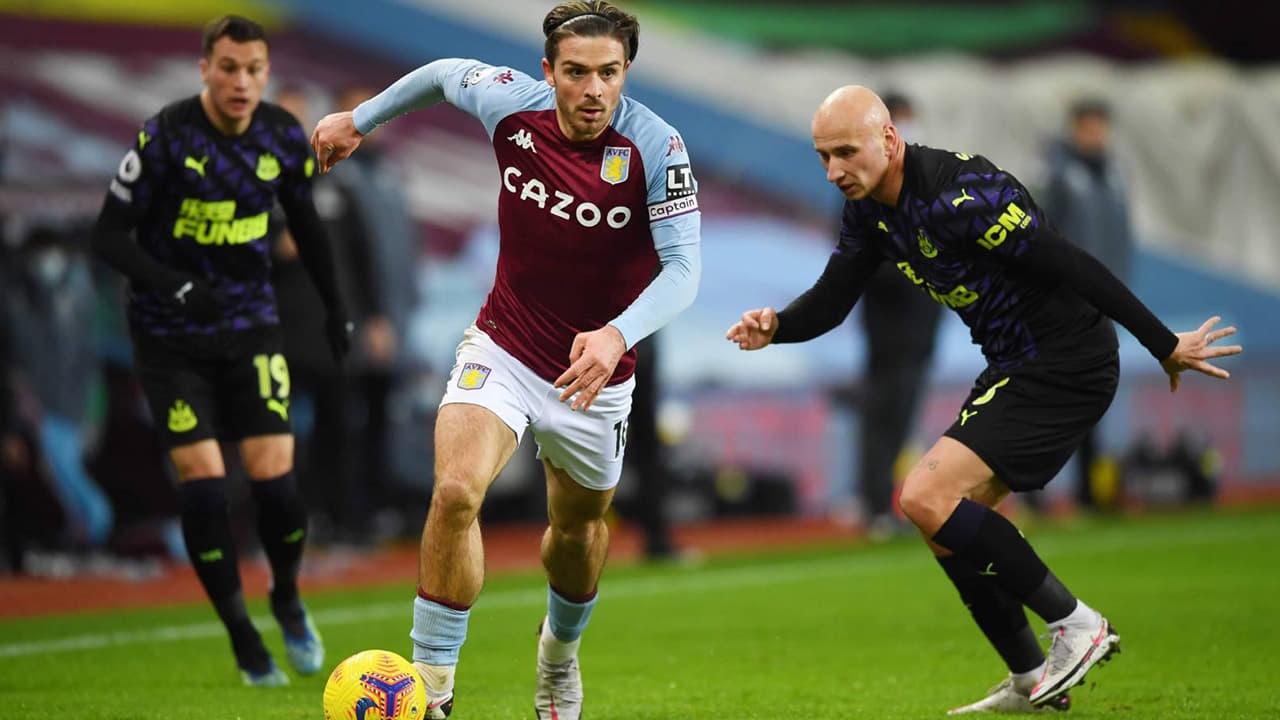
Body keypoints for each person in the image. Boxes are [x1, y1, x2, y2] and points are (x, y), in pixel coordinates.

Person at [726, 85, 1240, 714]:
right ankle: (1028, 677)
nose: (834, 171)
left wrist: (1163, 344)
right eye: (823, 157)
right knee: (942, 522)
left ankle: (1076, 623)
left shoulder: (963, 195)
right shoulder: (870, 210)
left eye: (846, 152)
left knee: (923, 495)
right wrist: (777, 326)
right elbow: (834, 298)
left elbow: (1073, 263)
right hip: (1015, 364)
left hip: (1066, 359)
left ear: (888, 138)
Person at [311, 2, 701, 717]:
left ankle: (558, 656)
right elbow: (441, 74)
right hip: (505, 345)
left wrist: (616, 335)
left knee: (576, 534)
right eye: (576, 72)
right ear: (547, 71)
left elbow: (683, 270)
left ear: (625, 73)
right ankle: (432, 688)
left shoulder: (657, 146)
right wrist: (358, 120)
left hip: (594, 377)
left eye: (608, 73)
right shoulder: (511, 104)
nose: (593, 89)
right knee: (456, 491)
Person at [90, 15, 350, 686]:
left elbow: (307, 224)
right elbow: (108, 236)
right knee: (204, 489)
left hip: (251, 328)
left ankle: (286, 596)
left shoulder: (281, 134)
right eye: (228, 67)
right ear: (205, 68)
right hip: (170, 340)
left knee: (277, 485)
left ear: (266, 74)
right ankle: (242, 636)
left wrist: (336, 308)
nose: (240, 81)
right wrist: (173, 285)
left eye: (253, 69)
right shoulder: (165, 136)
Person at [850, 91, 942, 539]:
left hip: (923, 324)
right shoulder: (861, 183)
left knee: (902, 417)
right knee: (882, 417)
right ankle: (873, 507)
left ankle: (885, 504)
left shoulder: (926, 181)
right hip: (888, 325)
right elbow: (858, 255)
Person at [1041, 97, 1135, 510]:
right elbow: (1043, 236)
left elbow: (1122, 239)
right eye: (1088, 126)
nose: (1095, 135)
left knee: (1093, 392)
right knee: (1051, 393)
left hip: (1104, 301)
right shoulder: (1056, 174)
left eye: (1101, 126)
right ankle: (1035, 493)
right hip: (1065, 302)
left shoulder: (1115, 174)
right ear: (1074, 128)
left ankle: (1089, 491)